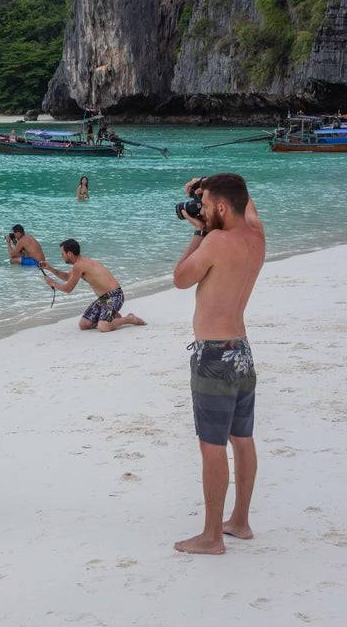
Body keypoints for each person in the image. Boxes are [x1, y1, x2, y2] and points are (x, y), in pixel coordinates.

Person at [173, 173, 265, 556]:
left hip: (213, 356)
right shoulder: (256, 235)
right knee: (242, 439)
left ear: (223, 207)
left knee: (212, 446)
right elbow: (246, 203)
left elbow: (180, 278)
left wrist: (197, 232)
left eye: (208, 205)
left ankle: (211, 536)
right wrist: (206, 187)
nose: (203, 211)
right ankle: (240, 521)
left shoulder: (214, 241)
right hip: (241, 351)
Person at [40, 239, 146, 331]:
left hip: (115, 296)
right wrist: (50, 269)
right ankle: (112, 317)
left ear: (70, 254)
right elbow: (68, 277)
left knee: (103, 327)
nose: (61, 256)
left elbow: (68, 289)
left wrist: (52, 283)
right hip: (104, 299)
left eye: (62, 254)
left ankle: (129, 319)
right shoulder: (81, 263)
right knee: (84, 324)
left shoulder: (79, 265)